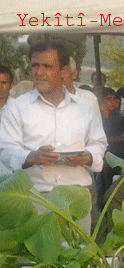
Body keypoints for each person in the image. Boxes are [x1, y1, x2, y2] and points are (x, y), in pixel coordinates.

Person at [0, 40, 107, 231]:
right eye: (35, 66)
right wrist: (31, 157)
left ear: (64, 71)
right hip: (34, 199)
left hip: (76, 199)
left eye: (47, 66)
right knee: (36, 250)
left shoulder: (84, 108)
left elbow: (99, 143)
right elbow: (5, 149)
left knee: (77, 249)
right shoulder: (16, 108)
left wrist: (89, 156)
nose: (39, 72)